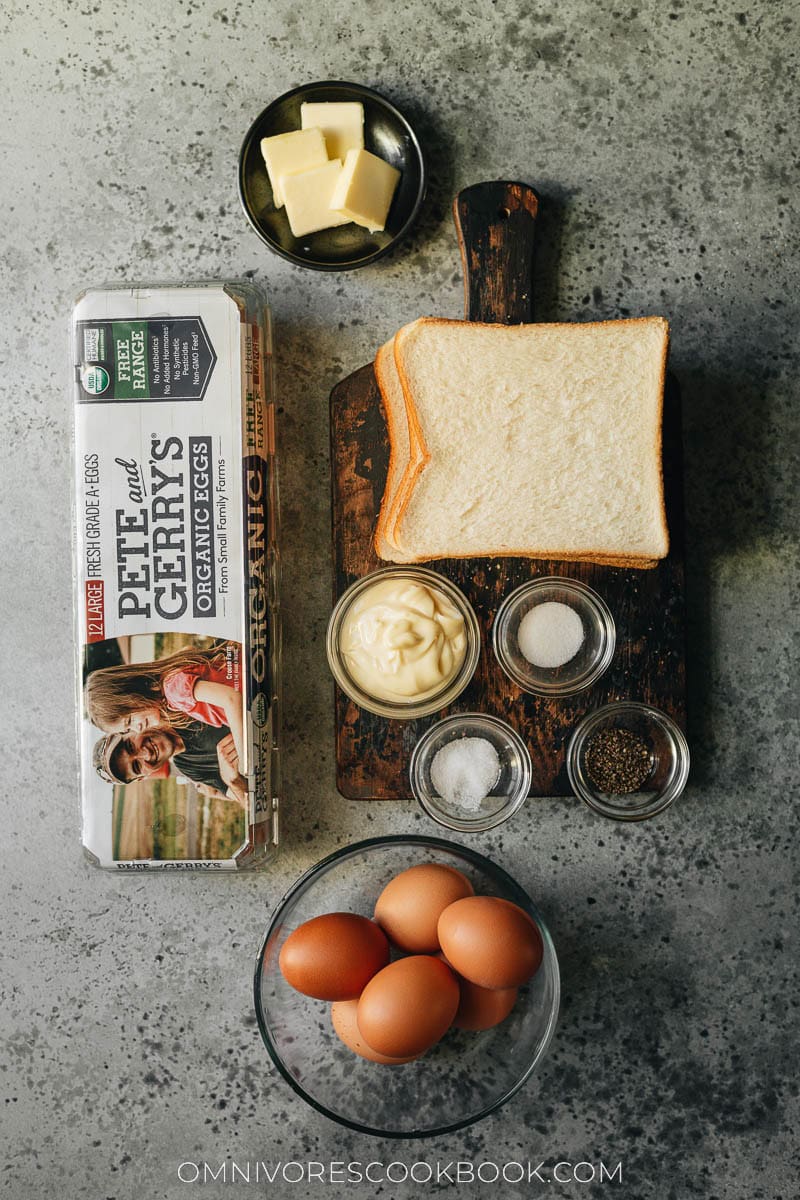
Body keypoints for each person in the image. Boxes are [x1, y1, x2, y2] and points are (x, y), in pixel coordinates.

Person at [85, 642, 244, 764]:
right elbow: (189, 649)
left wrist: (245, 756)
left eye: (129, 720)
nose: (138, 728)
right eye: (128, 729)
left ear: (131, 693)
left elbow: (231, 699)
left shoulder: (173, 690)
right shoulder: (170, 691)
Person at [93, 721, 248, 809]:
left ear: (128, 729)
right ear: (143, 777)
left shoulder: (183, 709)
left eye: (130, 746)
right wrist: (233, 781)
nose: (145, 754)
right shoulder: (188, 767)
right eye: (136, 766)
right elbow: (247, 802)